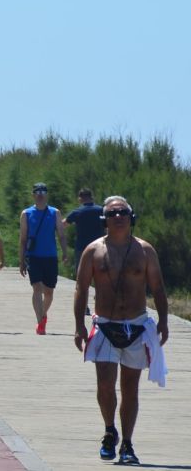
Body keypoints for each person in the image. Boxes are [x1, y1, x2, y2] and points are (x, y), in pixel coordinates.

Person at [74, 196, 168, 465]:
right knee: (104, 383)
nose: (118, 216)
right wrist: (79, 326)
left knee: (130, 388)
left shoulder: (145, 250)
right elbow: (81, 288)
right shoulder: (93, 251)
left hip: (137, 326)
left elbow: (158, 287)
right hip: (104, 325)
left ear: (131, 216)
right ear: (104, 219)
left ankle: (127, 442)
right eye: (113, 213)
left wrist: (163, 320)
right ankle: (109, 430)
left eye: (123, 212)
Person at [18, 182, 68, 335]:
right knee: (37, 288)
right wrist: (21, 261)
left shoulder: (55, 213)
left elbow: (61, 234)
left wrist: (65, 252)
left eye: (43, 191)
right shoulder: (26, 213)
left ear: (46, 194)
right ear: (33, 195)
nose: (40, 194)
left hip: (50, 256)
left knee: (49, 291)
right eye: (37, 192)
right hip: (33, 256)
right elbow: (23, 238)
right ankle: (40, 322)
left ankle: (43, 315)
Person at [63, 188, 104, 276]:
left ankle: (81, 289)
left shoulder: (77, 212)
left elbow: (63, 224)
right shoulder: (101, 210)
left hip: (82, 247)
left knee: (82, 274)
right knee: (100, 274)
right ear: (91, 197)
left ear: (80, 199)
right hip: (100, 246)